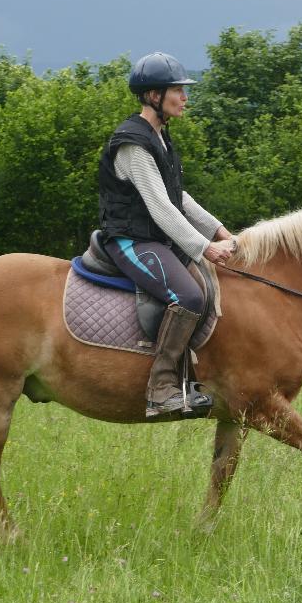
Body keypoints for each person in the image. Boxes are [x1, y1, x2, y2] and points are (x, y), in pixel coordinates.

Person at [98, 52, 236, 418]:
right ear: (154, 96)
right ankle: (160, 389)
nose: (185, 98)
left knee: (207, 289)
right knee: (189, 295)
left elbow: (180, 198)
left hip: (155, 241)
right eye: (178, 90)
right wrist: (206, 248)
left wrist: (221, 230)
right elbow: (162, 208)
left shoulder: (161, 139)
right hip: (129, 240)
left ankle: (190, 378)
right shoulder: (133, 143)